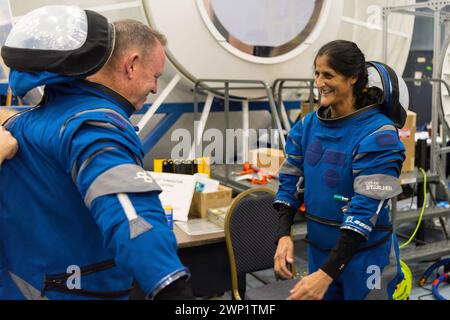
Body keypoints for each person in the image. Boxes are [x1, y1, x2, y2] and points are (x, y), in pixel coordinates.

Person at [0, 6, 192, 299]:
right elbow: (133, 218)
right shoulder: (94, 126)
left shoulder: (21, 124)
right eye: (155, 76)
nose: (154, 88)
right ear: (132, 64)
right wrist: (173, 288)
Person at [273, 40, 407, 300]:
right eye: (317, 73)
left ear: (353, 78)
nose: (320, 82)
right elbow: (289, 180)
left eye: (328, 75)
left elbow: (364, 210)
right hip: (320, 252)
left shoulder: (379, 133)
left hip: (366, 257)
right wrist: (283, 235)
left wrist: (328, 273)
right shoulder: (308, 126)